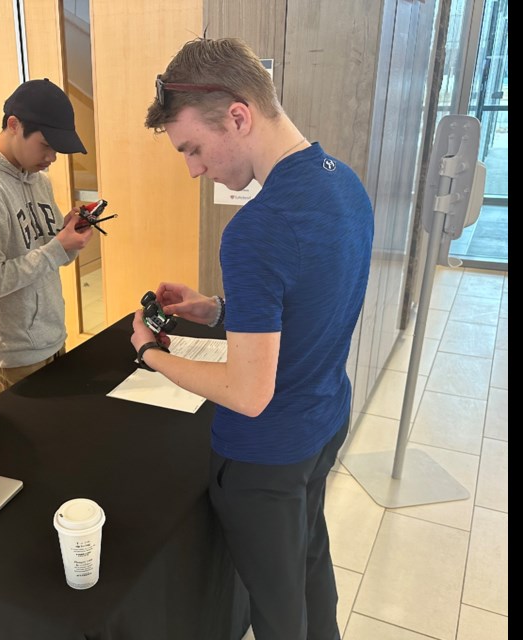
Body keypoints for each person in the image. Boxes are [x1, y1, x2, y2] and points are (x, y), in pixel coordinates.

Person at [132, 37, 374, 640]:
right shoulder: (343, 182)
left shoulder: (255, 229)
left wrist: (152, 354)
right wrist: (215, 309)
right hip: (324, 422)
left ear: (238, 115)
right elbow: (310, 301)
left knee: (275, 605)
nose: (193, 168)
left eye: (193, 148)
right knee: (309, 560)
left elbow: (248, 392)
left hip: (266, 455)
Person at [0, 79, 94, 396]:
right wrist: (57, 248)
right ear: (14, 125)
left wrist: (70, 236)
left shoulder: (38, 179)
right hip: (15, 355)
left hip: (53, 337)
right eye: (46, 146)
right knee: (27, 445)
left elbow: (52, 254)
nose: (52, 157)